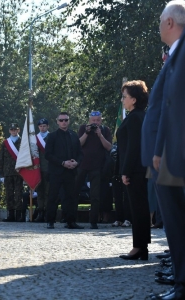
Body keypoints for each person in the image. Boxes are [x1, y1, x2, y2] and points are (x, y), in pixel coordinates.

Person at [145, 2, 185, 299]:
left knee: (177, 219)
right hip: (170, 150)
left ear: (170, 22)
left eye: (160, 20)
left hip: (177, 151)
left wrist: (162, 150)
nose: (158, 25)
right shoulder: (175, 54)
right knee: (173, 220)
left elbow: (173, 107)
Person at [116, 80, 150, 260]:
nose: (123, 100)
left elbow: (133, 147)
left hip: (135, 170)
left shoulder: (136, 117)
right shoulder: (136, 116)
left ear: (134, 99)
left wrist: (125, 171)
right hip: (136, 169)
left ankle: (139, 246)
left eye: (125, 97)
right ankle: (141, 246)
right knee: (139, 208)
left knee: (138, 209)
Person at [45, 112, 83, 229]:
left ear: (69, 121)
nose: (63, 122)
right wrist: (62, 163)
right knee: (53, 196)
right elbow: (48, 155)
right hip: (56, 171)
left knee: (71, 197)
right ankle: (50, 221)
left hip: (70, 172)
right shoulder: (52, 136)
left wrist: (76, 162)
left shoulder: (74, 135)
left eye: (66, 120)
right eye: (61, 120)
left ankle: (70, 221)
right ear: (57, 121)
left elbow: (80, 153)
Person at [74, 111, 112, 229]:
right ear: (89, 120)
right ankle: (70, 219)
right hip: (82, 165)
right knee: (74, 192)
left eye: (98, 120)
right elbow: (78, 144)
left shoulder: (106, 130)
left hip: (97, 167)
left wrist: (100, 135)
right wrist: (86, 132)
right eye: (93, 120)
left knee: (95, 195)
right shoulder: (82, 128)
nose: (95, 122)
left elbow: (109, 147)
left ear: (101, 120)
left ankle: (93, 221)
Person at [0, 123, 24, 222]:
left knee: (18, 194)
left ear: (18, 130)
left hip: (19, 172)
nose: (13, 131)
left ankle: (19, 215)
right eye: (12, 130)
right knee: (9, 194)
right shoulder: (5, 143)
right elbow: (1, 159)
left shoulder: (22, 142)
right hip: (8, 172)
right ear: (9, 131)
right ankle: (11, 214)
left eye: (15, 129)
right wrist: (1, 174)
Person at [34, 118, 49, 222]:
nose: (42, 128)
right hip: (38, 169)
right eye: (40, 126)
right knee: (40, 192)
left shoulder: (52, 137)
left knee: (48, 192)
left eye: (44, 126)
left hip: (49, 168)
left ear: (47, 126)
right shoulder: (35, 138)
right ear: (38, 127)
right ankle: (40, 213)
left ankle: (48, 213)